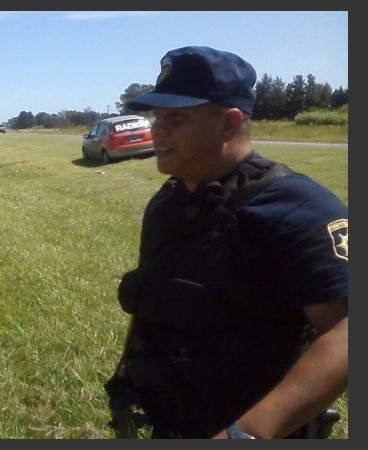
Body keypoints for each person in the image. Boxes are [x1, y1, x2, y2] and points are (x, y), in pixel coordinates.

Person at [105, 46, 348, 439]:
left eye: (176, 117)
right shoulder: (168, 203)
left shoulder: (299, 208)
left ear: (230, 123)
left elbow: (347, 331)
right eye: (158, 116)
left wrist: (246, 433)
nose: (157, 129)